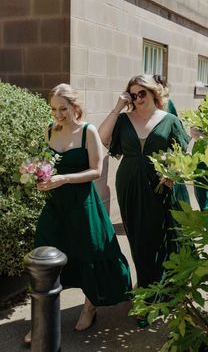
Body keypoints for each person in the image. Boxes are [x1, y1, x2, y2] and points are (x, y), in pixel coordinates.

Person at [24, 84, 132, 343]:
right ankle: (40, 320)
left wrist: (64, 179)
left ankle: (89, 305)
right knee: (43, 253)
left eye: (63, 108)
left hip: (82, 203)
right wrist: (40, 176)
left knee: (88, 252)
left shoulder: (88, 131)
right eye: (53, 108)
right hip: (55, 204)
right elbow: (47, 163)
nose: (58, 114)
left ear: (74, 106)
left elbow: (96, 170)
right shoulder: (49, 130)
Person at [98, 75, 190, 326]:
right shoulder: (124, 118)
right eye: (133, 94)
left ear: (153, 94)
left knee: (159, 239)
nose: (137, 99)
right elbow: (101, 139)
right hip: (129, 187)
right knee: (138, 240)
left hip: (160, 188)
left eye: (142, 94)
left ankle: (152, 297)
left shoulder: (169, 120)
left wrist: (174, 174)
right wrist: (118, 107)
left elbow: (183, 155)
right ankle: (147, 290)